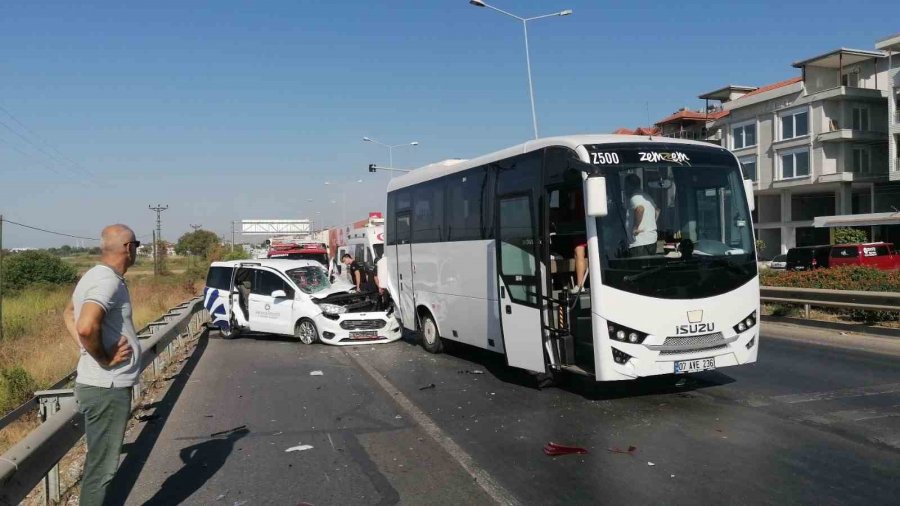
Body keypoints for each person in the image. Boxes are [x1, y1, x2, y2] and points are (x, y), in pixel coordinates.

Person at [62, 224, 141, 506]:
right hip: (106, 387)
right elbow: (84, 326)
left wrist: (87, 351)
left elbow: (69, 314)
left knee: (99, 463)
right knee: (102, 469)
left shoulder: (92, 276)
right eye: (137, 245)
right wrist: (102, 358)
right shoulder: (107, 280)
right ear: (128, 248)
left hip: (99, 385)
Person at [625, 173, 660, 256]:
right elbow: (657, 210)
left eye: (625, 186)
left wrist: (635, 227)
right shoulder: (647, 197)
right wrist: (651, 223)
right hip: (651, 241)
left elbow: (640, 209)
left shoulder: (635, 197)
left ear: (630, 186)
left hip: (639, 243)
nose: (625, 189)